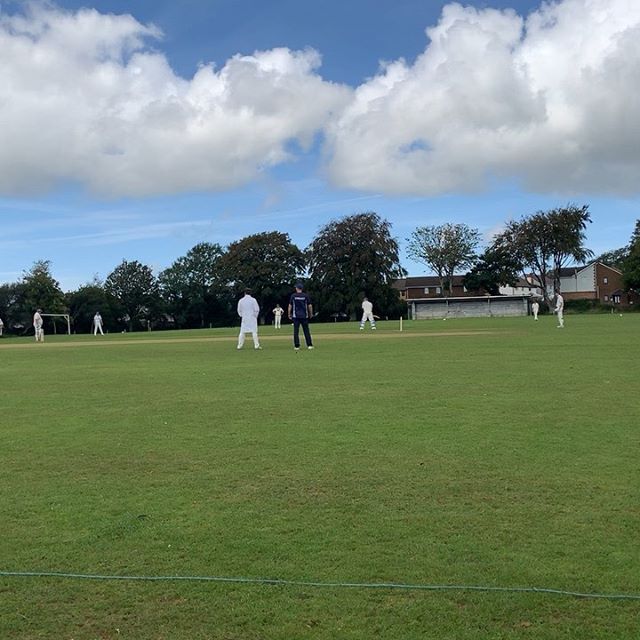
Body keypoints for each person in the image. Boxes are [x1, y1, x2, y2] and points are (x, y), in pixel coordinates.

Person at [288, 283, 314, 351]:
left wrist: (289, 314)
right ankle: (309, 345)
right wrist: (311, 313)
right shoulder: (305, 296)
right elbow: (310, 306)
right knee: (306, 331)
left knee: (296, 331)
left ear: (297, 288)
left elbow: (290, 306)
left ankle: (297, 346)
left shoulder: (293, 296)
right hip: (304, 316)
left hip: (295, 316)